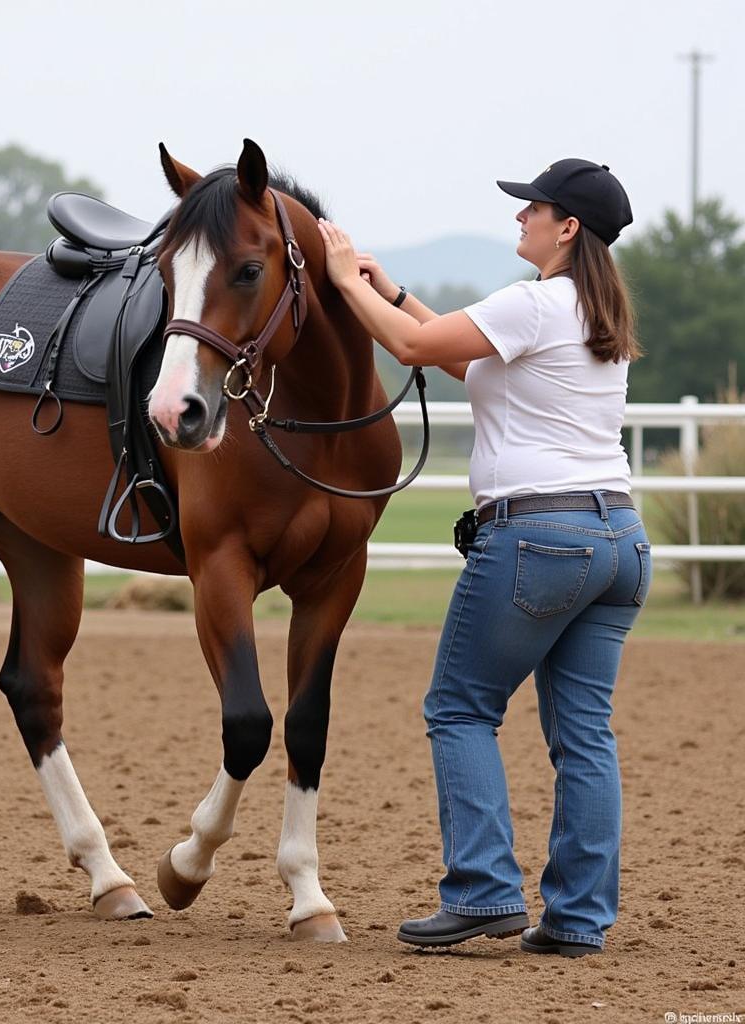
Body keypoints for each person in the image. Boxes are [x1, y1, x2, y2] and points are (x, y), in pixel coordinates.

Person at [317, 159, 649, 958]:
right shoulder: (597, 316)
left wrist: (343, 280)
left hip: (539, 539)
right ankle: (575, 920)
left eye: (531, 209)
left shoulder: (533, 303)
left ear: (566, 227)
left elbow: (406, 346)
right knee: (584, 736)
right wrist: (390, 290)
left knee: (459, 708)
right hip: (620, 543)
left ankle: (482, 891)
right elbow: (462, 358)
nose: (520, 220)